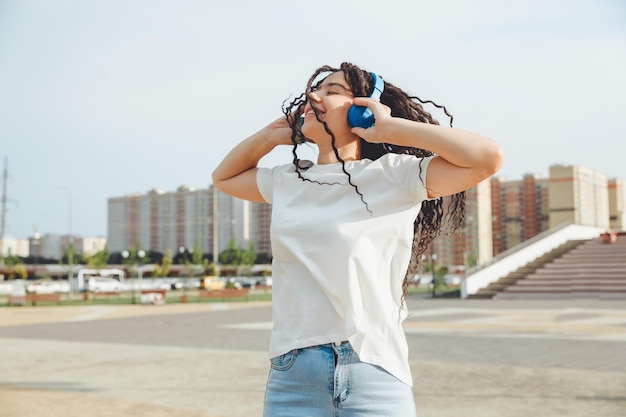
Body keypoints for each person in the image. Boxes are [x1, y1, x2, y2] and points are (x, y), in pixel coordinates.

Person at [212, 62, 504, 416]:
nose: (313, 96)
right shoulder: (287, 180)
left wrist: (390, 128)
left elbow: (488, 159)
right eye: (314, 90)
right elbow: (224, 177)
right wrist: (272, 136)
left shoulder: (395, 175)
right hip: (294, 374)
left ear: (363, 110)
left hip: (373, 369)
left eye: (331, 91)